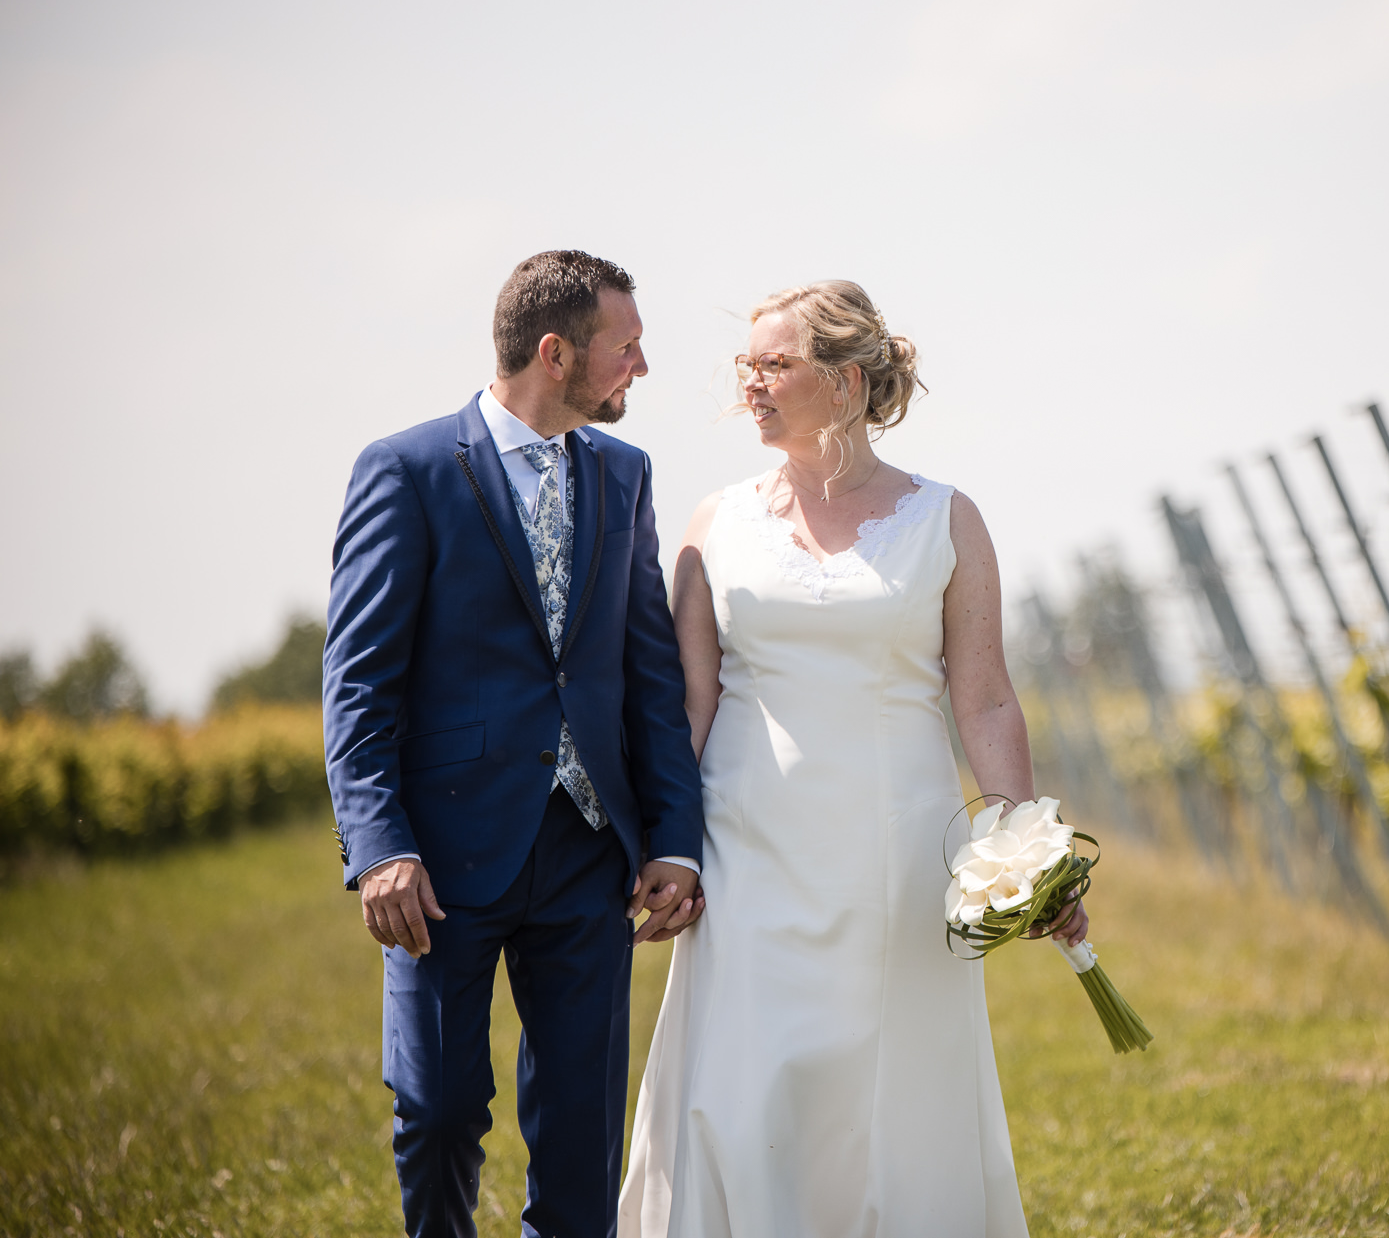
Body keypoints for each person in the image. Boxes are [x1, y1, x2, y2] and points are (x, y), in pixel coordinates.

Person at [618, 280, 1088, 1237]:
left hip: (898, 864)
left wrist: (1025, 853)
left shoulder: (947, 519)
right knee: (743, 1096)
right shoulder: (714, 523)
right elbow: (689, 704)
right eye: (746, 366)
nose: (750, 384)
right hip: (747, 854)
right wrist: (667, 844)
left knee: (891, 1100)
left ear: (846, 379)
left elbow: (986, 696)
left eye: (774, 364)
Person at [323, 250, 707, 1238]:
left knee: (583, 1131)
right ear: (556, 352)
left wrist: (671, 837)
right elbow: (358, 681)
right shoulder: (405, 470)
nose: (642, 369)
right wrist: (380, 849)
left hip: (588, 855)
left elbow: (647, 670)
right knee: (440, 1110)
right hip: (439, 860)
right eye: (627, 347)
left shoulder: (623, 474)